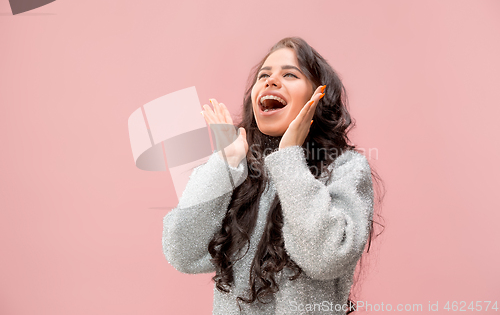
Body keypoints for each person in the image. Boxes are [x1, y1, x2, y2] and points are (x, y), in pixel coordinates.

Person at [162, 37, 384, 314]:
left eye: (290, 74)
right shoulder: (235, 171)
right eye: (263, 75)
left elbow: (325, 258)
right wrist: (225, 164)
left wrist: (288, 157)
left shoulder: (346, 168)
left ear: (318, 97)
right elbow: (182, 253)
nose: (271, 81)